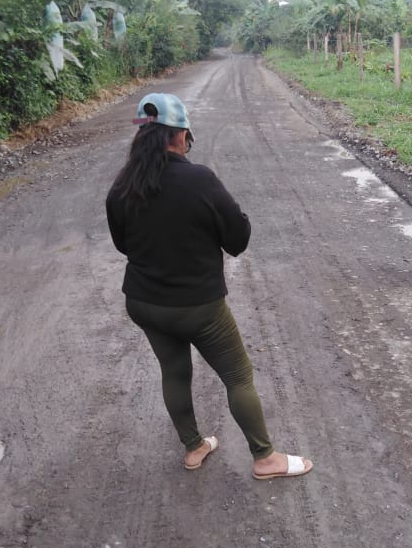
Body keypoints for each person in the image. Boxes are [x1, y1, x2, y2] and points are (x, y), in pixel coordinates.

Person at [106, 92, 313, 481]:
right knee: (238, 376)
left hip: (144, 302)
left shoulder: (121, 186)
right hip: (198, 308)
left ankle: (193, 447)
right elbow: (238, 240)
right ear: (179, 135)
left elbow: (123, 245)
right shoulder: (198, 179)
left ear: (141, 136)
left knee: (174, 372)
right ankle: (265, 458)